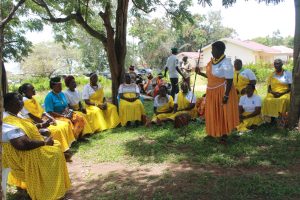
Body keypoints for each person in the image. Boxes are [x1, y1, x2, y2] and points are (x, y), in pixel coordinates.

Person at [3, 92, 70, 200]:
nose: (21, 103)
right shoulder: (7, 121)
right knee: (54, 154)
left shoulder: (15, 114)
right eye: (18, 100)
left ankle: (53, 189)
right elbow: (21, 144)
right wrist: (44, 142)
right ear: (8, 104)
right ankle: (48, 193)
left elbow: (26, 127)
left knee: (56, 145)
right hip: (20, 154)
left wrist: (40, 125)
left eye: (21, 100)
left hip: (28, 146)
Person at [195, 41, 239, 142]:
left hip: (222, 91)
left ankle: (224, 134)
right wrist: (200, 73)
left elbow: (229, 80)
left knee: (222, 112)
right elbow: (211, 77)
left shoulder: (226, 63)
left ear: (220, 50)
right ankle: (212, 132)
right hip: (211, 92)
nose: (211, 52)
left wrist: (226, 95)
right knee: (212, 111)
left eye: (213, 50)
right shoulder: (212, 62)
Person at [19, 83, 75, 155]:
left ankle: (66, 146)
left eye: (34, 88)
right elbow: (32, 116)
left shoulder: (33, 99)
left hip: (42, 119)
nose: (34, 90)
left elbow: (42, 112)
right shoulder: (24, 101)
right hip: (34, 123)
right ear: (25, 91)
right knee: (57, 129)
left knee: (64, 124)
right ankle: (61, 150)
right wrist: (44, 123)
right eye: (31, 89)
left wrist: (51, 118)